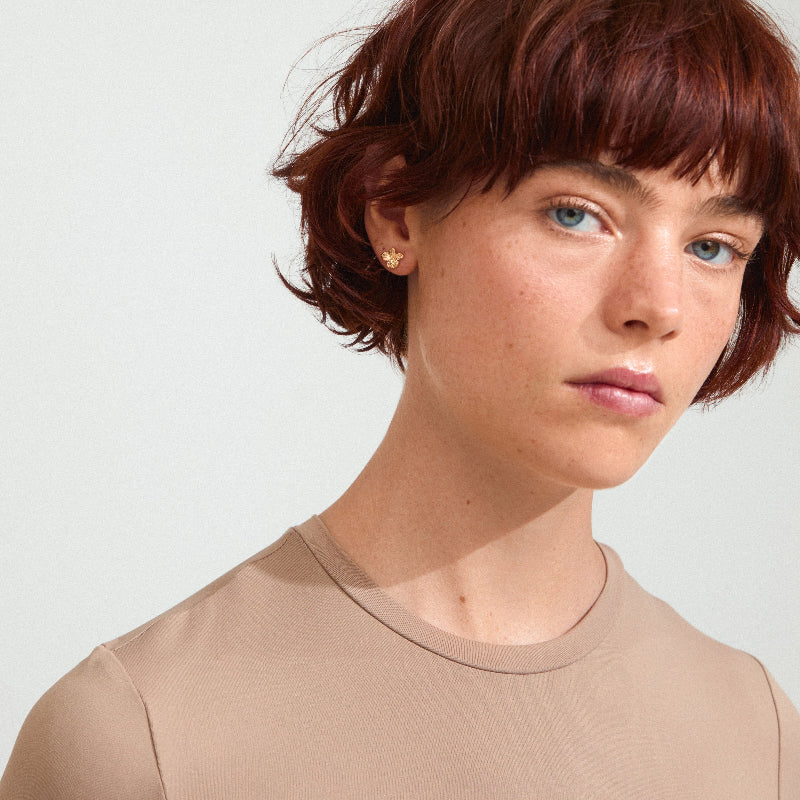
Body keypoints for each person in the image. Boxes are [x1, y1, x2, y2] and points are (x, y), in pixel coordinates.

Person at [2, 0, 799, 796]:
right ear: (396, 212)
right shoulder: (140, 739)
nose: (657, 305)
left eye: (711, 247)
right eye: (575, 214)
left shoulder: (754, 734)